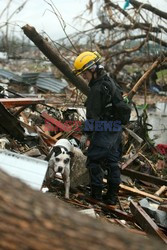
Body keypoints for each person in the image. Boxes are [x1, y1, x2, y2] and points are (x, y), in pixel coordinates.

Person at [73, 51, 129, 205]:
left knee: (94, 161)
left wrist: (86, 136)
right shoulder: (110, 82)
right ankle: (111, 198)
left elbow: (92, 116)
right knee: (112, 163)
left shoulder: (97, 89)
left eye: (84, 73)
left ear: (93, 69)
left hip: (104, 129)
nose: (84, 77)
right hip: (116, 130)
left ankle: (96, 196)